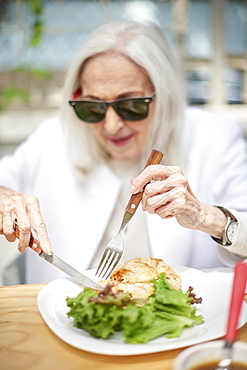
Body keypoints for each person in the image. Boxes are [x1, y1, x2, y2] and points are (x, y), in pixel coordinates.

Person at [1, 20, 247, 285]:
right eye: (92, 107)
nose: (111, 126)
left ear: (164, 96)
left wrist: (206, 217)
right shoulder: (50, 138)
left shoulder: (215, 136)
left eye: (131, 105)